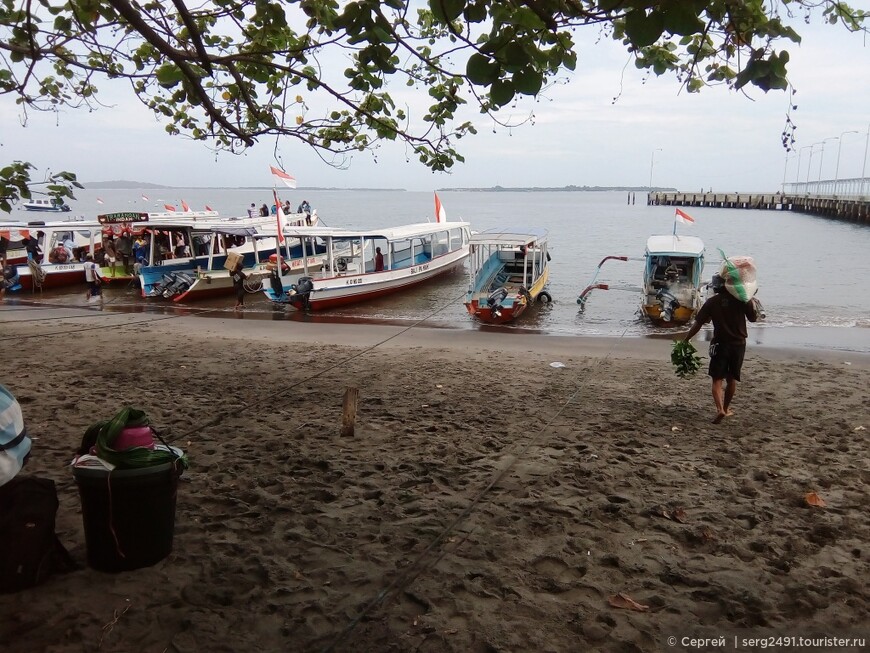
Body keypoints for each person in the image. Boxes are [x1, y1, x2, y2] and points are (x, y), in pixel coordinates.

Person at [683, 274, 761, 424]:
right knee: (732, 379)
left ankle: (720, 410)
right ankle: (726, 408)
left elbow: (699, 323)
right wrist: (750, 299)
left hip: (720, 343)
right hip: (738, 344)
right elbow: (753, 318)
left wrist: (686, 340)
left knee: (717, 379)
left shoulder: (712, 302)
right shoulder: (741, 300)